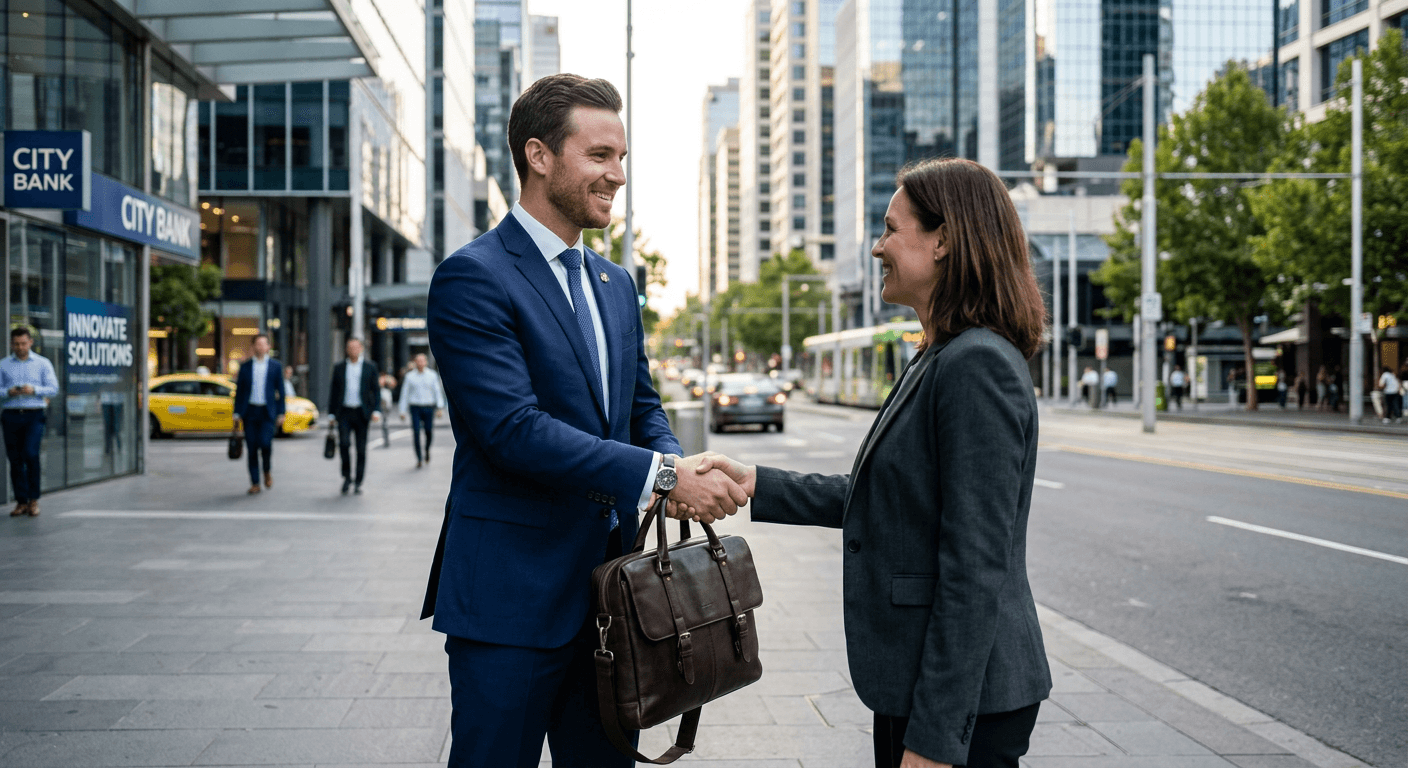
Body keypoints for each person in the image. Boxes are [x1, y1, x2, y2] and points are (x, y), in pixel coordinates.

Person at [419, 73, 746, 767]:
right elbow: (511, 429)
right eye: (600, 156)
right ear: (539, 156)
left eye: (621, 158)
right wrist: (662, 477)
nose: (617, 175)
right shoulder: (473, 276)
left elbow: (641, 406)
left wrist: (677, 461)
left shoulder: (615, 283)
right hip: (510, 601)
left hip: (615, 597)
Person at [691, 158, 1052, 768]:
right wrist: (755, 483)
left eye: (891, 228)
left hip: (964, 702)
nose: (879, 246)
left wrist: (935, 743)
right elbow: (891, 495)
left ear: (944, 240)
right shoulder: (939, 355)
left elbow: (975, 566)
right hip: (922, 681)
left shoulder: (975, 366)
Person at [1, 327, 58, 517]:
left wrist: (33, 389)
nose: (20, 347)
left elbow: (53, 389)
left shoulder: (42, 363)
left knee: (31, 453)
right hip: (11, 414)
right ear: (11, 344)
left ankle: (34, 500)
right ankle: (21, 501)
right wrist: (8, 392)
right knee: (15, 459)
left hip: (34, 414)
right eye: (16, 344)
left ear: (30, 343)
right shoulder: (3, 365)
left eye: (23, 343)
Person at [327, 337, 381, 494]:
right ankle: (346, 477)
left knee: (361, 449)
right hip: (343, 412)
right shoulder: (339, 367)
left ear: (361, 349)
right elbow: (334, 391)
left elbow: (376, 390)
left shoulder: (370, 367)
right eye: (350, 347)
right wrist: (331, 414)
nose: (353, 350)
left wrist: (376, 410)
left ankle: (358, 481)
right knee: (344, 445)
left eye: (356, 347)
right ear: (346, 349)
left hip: (362, 413)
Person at [232, 334, 286, 495]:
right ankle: (255, 482)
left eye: (264, 344)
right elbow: (240, 391)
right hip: (250, 412)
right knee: (252, 447)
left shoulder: (275, 366)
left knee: (265, 444)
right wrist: (236, 412)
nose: (261, 347)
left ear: (268, 347)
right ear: (253, 347)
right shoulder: (245, 366)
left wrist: (281, 412)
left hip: (267, 412)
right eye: (258, 344)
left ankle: (267, 471)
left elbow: (281, 391)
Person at [398, 353, 445, 468]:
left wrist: (440, 407)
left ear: (426, 362)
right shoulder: (410, 376)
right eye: (418, 361)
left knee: (428, 431)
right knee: (416, 432)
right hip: (415, 408)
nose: (420, 363)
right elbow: (405, 393)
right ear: (415, 362)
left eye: (422, 361)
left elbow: (437, 391)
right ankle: (419, 458)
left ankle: (427, 449)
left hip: (429, 407)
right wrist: (402, 411)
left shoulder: (432, 375)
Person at [379, 373, 396, 448]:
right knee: (385, 424)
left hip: (386, 406)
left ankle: (386, 440)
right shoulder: (381, 380)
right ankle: (386, 440)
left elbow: (393, 385)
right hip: (383, 405)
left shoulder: (387, 379)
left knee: (385, 424)